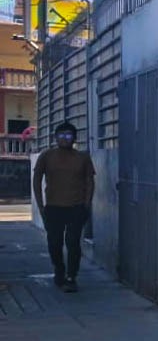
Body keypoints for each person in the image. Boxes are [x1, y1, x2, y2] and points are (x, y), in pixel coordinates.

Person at [31, 122, 94, 293]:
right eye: (61, 135)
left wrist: (86, 204)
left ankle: (71, 276)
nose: (64, 139)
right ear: (55, 137)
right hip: (53, 208)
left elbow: (90, 182)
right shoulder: (47, 156)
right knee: (54, 243)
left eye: (68, 136)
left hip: (76, 206)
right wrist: (41, 206)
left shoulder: (83, 158)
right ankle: (59, 269)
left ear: (74, 138)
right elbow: (36, 181)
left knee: (73, 243)